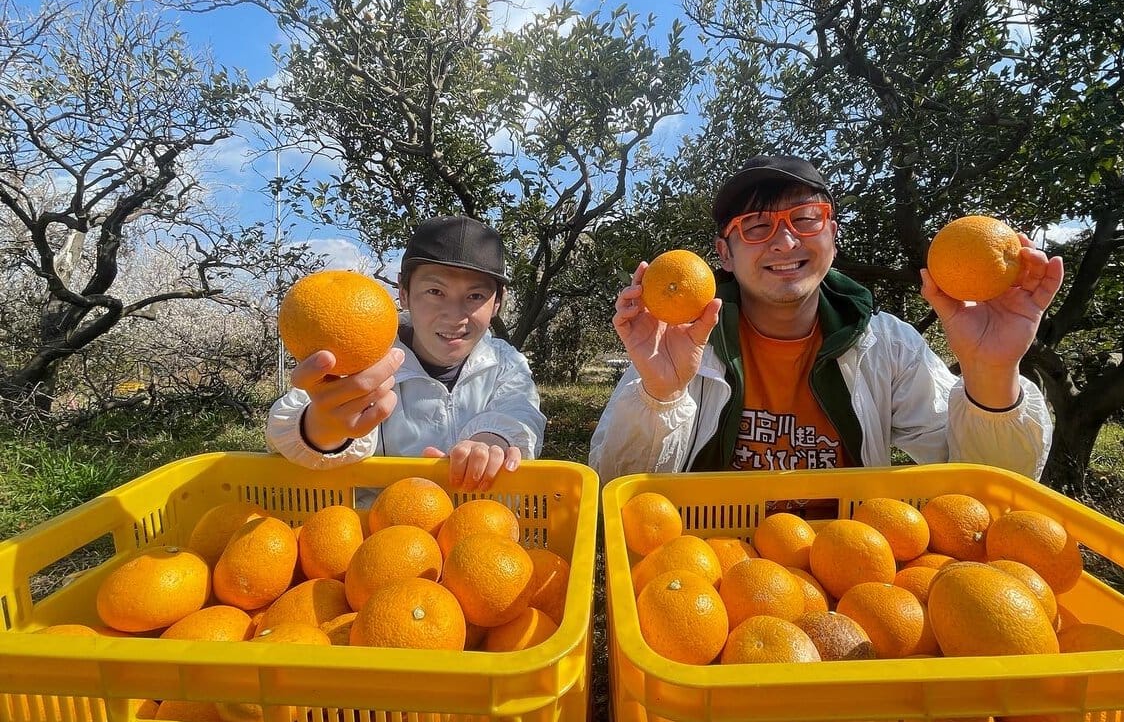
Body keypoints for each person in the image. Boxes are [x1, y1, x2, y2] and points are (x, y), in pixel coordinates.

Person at [589, 155, 1063, 501]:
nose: (785, 239)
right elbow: (618, 492)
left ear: (833, 237)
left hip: (853, 577)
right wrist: (659, 393)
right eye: (756, 226)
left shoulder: (887, 346)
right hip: (710, 578)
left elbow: (989, 489)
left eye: (805, 218)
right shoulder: (683, 342)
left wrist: (990, 370)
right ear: (724, 254)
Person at [268, 215, 546, 491]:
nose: (455, 316)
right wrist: (322, 428)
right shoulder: (364, 360)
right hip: (385, 527)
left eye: (475, 296)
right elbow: (284, 425)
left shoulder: (504, 362)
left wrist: (494, 438)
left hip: (483, 526)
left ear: (497, 303)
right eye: (435, 291)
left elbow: (521, 412)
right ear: (403, 291)